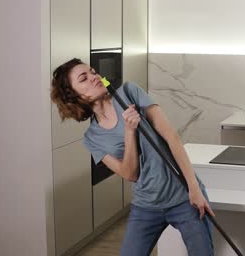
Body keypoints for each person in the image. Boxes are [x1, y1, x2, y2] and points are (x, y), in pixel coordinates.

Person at [50, 58, 215, 256]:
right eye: (83, 78)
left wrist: (194, 188)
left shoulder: (129, 92)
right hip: (146, 205)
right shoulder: (92, 139)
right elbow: (130, 174)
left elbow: (172, 137)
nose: (94, 77)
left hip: (183, 196)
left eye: (92, 72)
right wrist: (129, 130)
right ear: (74, 96)